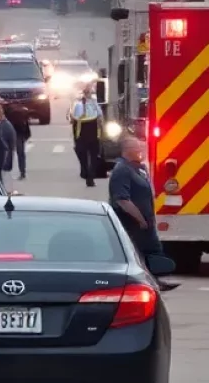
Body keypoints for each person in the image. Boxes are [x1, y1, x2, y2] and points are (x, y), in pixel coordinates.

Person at [109, 136, 180, 291]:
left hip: (145, 223)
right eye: (137, 148)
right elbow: (122, 200)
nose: (141, 151)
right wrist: (140, 219)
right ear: (127, 151)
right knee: (140, 253)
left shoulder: (138, 168)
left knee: (152, 251)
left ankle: (155, 281)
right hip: (132, 224)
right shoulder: (122, 170)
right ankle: (145, 284)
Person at [70, 83, 102, 187]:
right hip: (85, 133)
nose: (89, 94)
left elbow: (100, 116)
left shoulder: (93, 104)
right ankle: (86, 173)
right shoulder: (79, 104)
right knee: (86, 156)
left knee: (91, 157)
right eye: (88, 92)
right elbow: (74, 119)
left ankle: (90, 176)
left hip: (89, 134)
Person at [4, 101, 31, 180]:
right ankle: (22, 172)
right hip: (20, 133)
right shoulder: (22, 111)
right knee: (21, 153)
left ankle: (7, 168)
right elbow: (26, 125)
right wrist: (26, 135)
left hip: (13, 132)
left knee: (9, 151)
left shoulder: (8, 111)